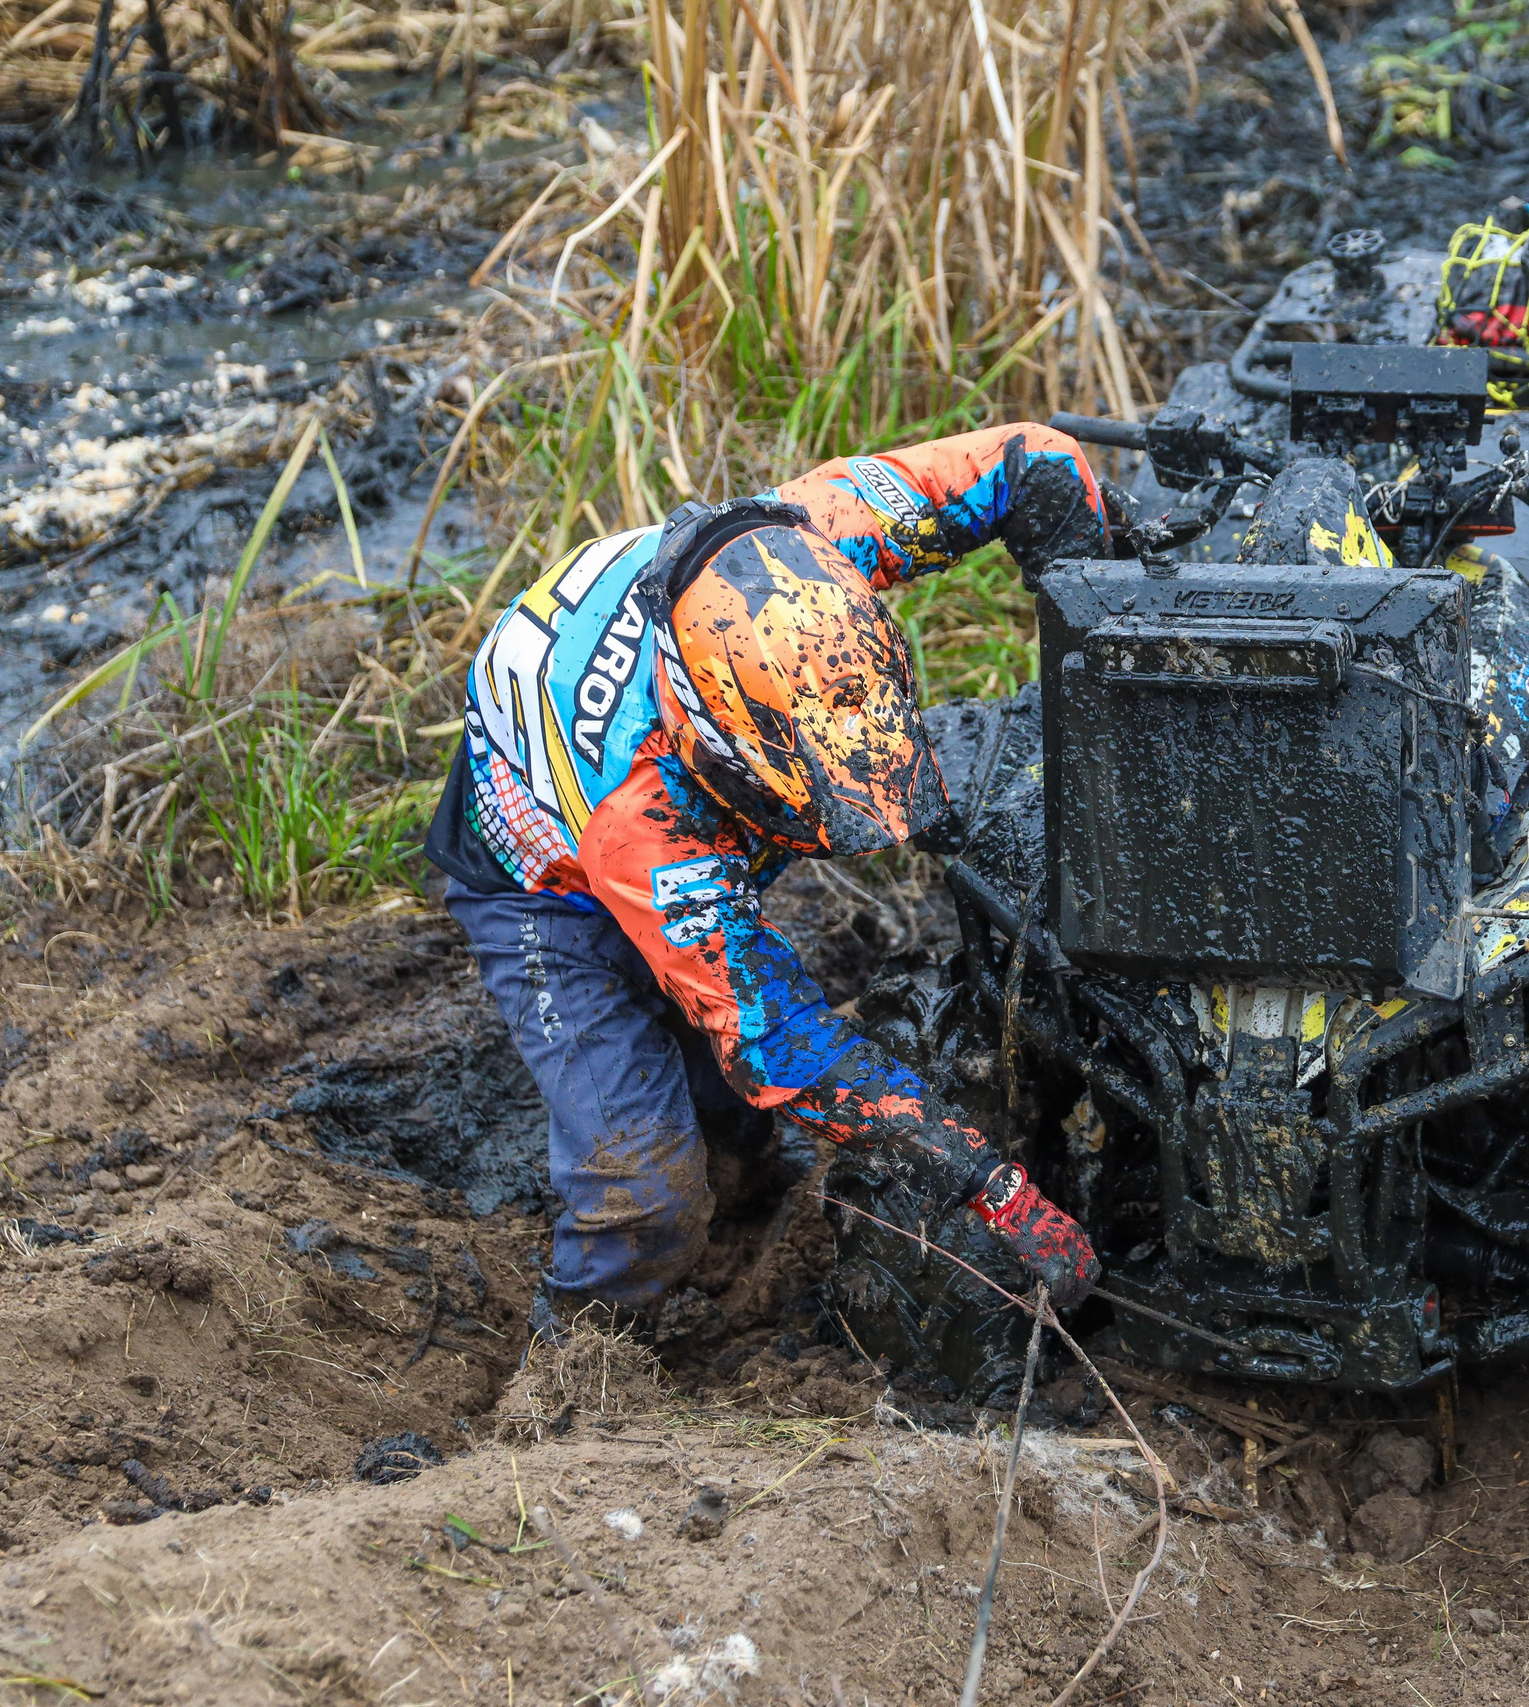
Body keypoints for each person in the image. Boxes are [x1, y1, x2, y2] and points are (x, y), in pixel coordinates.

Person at [422, 423, 1108, 1335]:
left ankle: (743, 1202)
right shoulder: (646, 817)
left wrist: (1102, 638)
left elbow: (1035, 462)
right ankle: (576, 1357)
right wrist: (988, 1182)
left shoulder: (824, 534)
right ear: (720, 757)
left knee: (739, 1138)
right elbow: (778, 1041)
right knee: (646, 1187)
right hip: (542, 885)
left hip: (670, 777)